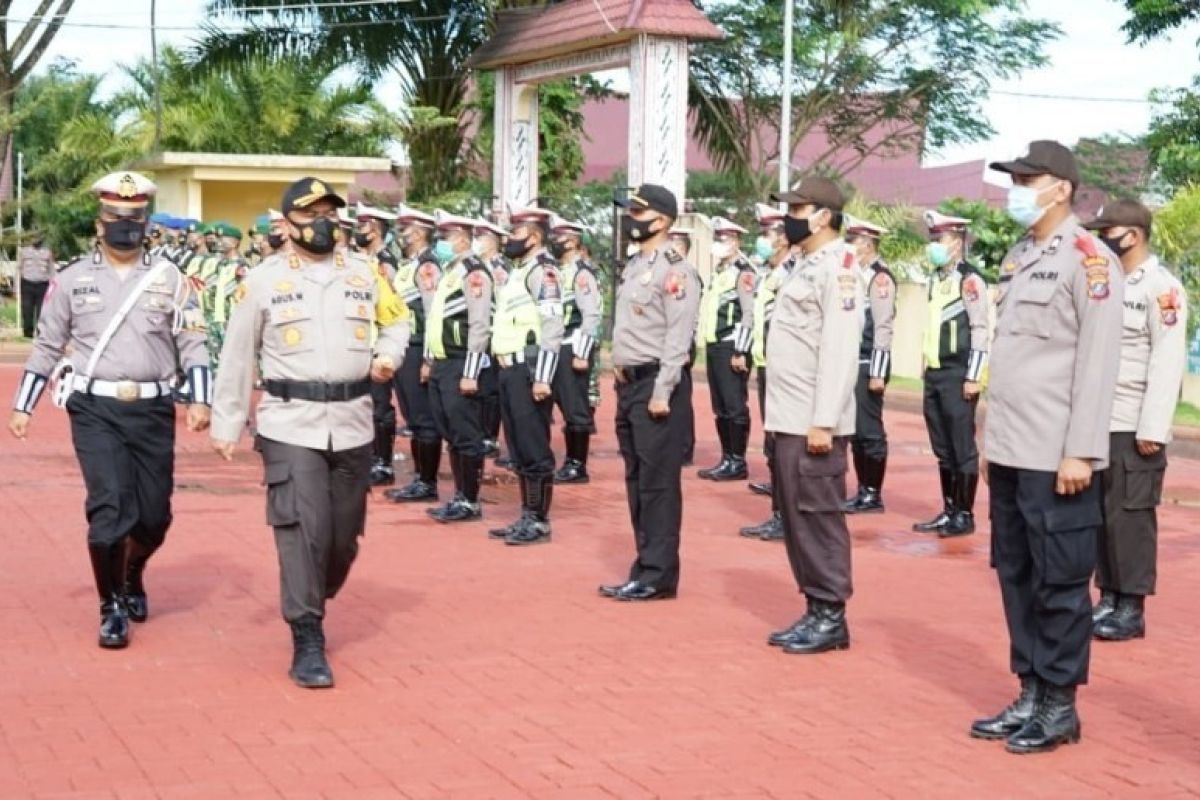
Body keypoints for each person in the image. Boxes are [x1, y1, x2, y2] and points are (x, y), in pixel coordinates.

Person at [210, 177, 409, 688]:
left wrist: (389, 354)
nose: (322, 222)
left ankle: (314, 596)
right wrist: (228, 420)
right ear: (287, 223)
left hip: (352, 421)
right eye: (310, 213)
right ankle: (307, 637)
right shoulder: (263, 280)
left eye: (328, 212)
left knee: (341, 541)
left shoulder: (365, 274)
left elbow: (398, 320)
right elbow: (237, 352)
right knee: (302, 528)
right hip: (289, 419)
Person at [9, 171, 212, 649]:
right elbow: (46, 347)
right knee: (108, 511)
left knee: (154, 516)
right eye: (116, 218)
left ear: (146, 224)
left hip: (154, 409)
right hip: (95, 408)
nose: (126, 225)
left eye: (134, 218)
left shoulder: (172, 280)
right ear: (99, 224)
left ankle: (133, 571)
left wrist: (201, 398)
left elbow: (194, 342)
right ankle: (111, 607)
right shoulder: (72, 279)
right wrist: (24, 406)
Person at [970, 140, 1123, 753]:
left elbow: (1097, 362)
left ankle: (1060, 705)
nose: (1017, 188)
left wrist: (1082, 451)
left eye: (1028, 178)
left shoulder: (1089, 258)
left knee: (1059, 582)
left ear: (1061, 187)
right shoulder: (1021, 253)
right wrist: (989, 443)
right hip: (1012, 447)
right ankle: (1030, 690)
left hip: (1057, 453)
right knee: (1016, 574)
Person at [762, 177, 863, 655]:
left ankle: (831, 614)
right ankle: (814, 606)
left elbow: (840, 350)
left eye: (798, 208)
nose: (789, 217)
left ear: (823, 215)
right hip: (789, 414)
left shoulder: (840, 267)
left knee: (818, 516)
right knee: (797, 517)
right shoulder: (803, 265)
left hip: (812, 420)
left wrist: (824, 420)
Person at [1083, 200, 1187, 642]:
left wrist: (1152, 427)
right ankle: (1108, 595)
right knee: (1100, 516)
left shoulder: (1161, 289)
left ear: (1134, 234)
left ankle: (1131, 607)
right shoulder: (1106, 282)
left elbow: (1167, 360)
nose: (1103, 236)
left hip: (1133, 421)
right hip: (1099, 420)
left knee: (1131, 517)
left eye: (1110, 230)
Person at [600, 184, 700, 601]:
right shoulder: (633, 265)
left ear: (661, 220)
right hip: (630, 384)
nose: (631, 221)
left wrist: (663, 390)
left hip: (658, 385)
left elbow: (679, 337)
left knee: (658, 484)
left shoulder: (675, 270)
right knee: (637, 479)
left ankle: (658, 574)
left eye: (638, 214)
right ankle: (644, 566)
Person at [486, 206, 564, 545]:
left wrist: (543, 377)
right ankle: (526, 513)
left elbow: (552, 326)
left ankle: (538, 520)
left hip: (529, 370)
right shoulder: (520, 271)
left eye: (516, 234)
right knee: (517, 445)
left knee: (533, 444)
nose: (509, 240)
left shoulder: (543, 273)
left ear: (533, 237)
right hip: (508, 369)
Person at [912, 210, 989, 537]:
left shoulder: (969, 280)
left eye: (939, 239)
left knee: (962, 446)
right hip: (936, 372)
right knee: (942, 446)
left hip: (959, 374)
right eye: (932, 239)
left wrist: (974, 377)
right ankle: (949, 509)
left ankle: (965, 514)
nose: (934, 246)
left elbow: (980, 329)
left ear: (957, 242)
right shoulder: (936, 279)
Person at [423, 210, 494, 523]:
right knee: (450, 430)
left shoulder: (473, 272)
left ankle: (470, 500)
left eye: (446, 237)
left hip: (461, 361)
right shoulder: (449, 271)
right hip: (441, 361)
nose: (440, 243)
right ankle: (459, 495)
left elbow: (479, 323)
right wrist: (428, 359)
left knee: (465, 432)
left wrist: (471, 370)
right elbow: (435, 320)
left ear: (463, 238)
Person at [739, 203, 795, 541]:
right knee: (772, 444)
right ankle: (779, 512)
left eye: (771, 234)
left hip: (785, 369)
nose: (765, 240)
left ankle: (786, 516)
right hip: (766, 365)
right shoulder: (769, 273)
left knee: (782, 444)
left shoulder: (793, 271)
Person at [383, 205, 445, 504]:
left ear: (420, 232)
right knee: (413, 416)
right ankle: (420, 478)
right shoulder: (409, 266)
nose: (401, 234)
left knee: (424, 418)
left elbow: (433, 313)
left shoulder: (427, 267)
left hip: (420, 346)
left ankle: (427, 482)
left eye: (405, 229)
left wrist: (430, 358)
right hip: (405, 345)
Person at [842, 215, 897, 514]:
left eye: (853, 241)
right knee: (855, 431)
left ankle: (873, 493)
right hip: (852, 360)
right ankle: (862, 489)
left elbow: (883, 326)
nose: (850, 246)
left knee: (869, 430)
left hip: (868, 362)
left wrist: (877, 370)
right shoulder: (856, 273)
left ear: (867, 244)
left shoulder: (880, 278)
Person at [696, 217, 756, 482]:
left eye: (726, 239)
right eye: (718, 238)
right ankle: (727, 457)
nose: (721, 243)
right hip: (714, 344)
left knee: (734, 405)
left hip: (732, 344)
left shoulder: (743, 272)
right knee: (720, 406)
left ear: (736, 242)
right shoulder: (720, 271)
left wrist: (741, 350)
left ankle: (738, 460)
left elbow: (749, 314)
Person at [548, 215, 602, 484]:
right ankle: (569, 460)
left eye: (559, 237)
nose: (554, 242)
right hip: (556, 345)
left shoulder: (582, 273)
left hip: (572, 346)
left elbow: (591, 315)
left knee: (575, 407)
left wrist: (581, 353)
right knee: (561, 401)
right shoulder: (559, 271)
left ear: (572, 240)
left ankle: (577, 464)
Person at [353, 203, 404, 487]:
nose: (358, 232)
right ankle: (369, 457)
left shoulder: (385, 261)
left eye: (362, 226)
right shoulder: (361, 259)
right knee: (364, 405)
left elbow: (392, 305)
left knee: (380, 407)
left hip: (378, 343)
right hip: (360, 343)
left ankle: (383, 462)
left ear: (375, 229)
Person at [472, 218, 510, 460]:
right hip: (479, 331)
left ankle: (489, 436)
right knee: (479, 386)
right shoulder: (478, 265)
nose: (477, 242)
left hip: (495, 333)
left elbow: (502, 302)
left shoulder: (498, 267)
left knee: (490, 389)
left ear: (492, 242)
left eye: (481, 238)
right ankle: (480, 432)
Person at [666, 226, 698, 467]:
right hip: (666, 341)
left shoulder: (684, 274)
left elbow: (686, 315)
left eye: (676, 246)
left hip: (681, 341)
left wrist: (684, 346)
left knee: (679, 397)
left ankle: (684, 448)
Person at [204, 222, 250, 375]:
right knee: (214, 360)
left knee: (233, 361)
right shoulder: (221, 264)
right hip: (215, 318)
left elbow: (244, 295)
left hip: (231, 320)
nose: (220, 242)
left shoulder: (242, 266)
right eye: (219, 238)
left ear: (236, 242)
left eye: (225, 238)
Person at [18, 234, 56, 338]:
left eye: (38, 239)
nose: (36, 241)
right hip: (27, 283)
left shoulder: (47, 252)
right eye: (34, 239)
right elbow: (19, 268)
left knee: (42, 310)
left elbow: (52, 270)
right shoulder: (24, 252)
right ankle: (27, 332)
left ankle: (40, 332)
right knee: (27, 309)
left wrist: (53, 286)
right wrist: (16, 286)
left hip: (42, 284)